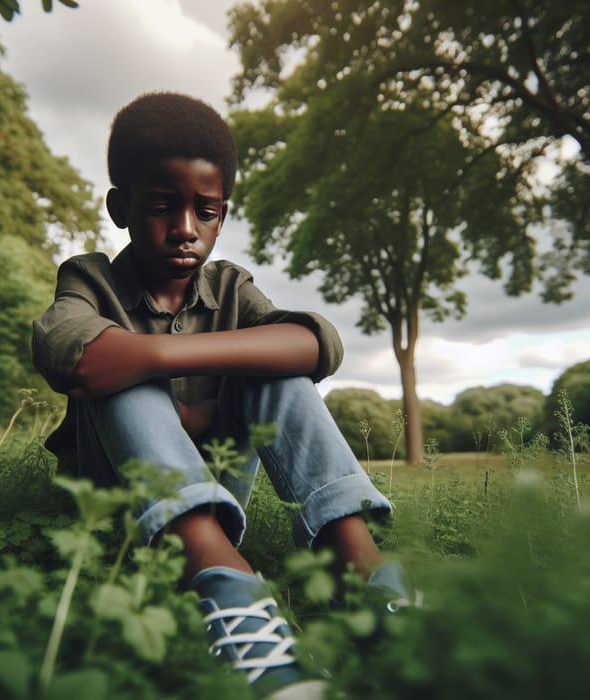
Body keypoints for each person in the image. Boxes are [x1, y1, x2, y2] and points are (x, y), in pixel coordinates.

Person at [32, 91, 410, 699]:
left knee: (278, 370)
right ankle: (227, 588)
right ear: (120, 206)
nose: (186, 229)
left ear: (223, 214)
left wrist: (174, 367)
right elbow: (76, 354)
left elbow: (317, 345)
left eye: (205, 212)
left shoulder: (230, 286)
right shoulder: (89, 278)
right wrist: (175, 389)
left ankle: (360, 568)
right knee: (124, 380)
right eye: (161, 206)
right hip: (124, 499)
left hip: (221, 483)